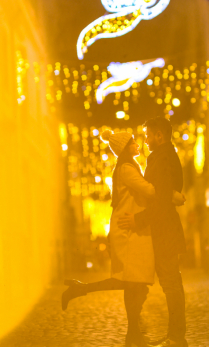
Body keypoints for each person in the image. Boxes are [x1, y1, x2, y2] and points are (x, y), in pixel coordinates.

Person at [61, 130, 156, 347]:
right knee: (130, 281)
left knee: (135, 284)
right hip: (127, 231)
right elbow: (149, 191)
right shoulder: (126, 169)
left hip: (129, 229)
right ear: (124, 148)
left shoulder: (127, 167)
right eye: (133, 143)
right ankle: (81, 290)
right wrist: (173, 195)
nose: (137, 145)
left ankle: (133, 336)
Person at [118, 117, 188, 347]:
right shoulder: (161, 156)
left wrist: (138, 219)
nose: (145, 140)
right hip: (162, 229)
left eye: (148, 135)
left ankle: (176, 338)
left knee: (171, 285)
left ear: (159, 135)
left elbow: (160, 199)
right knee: (170, 284)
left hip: (164, 231)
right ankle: (174, 336)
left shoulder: (163, 158)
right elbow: (165, 194)